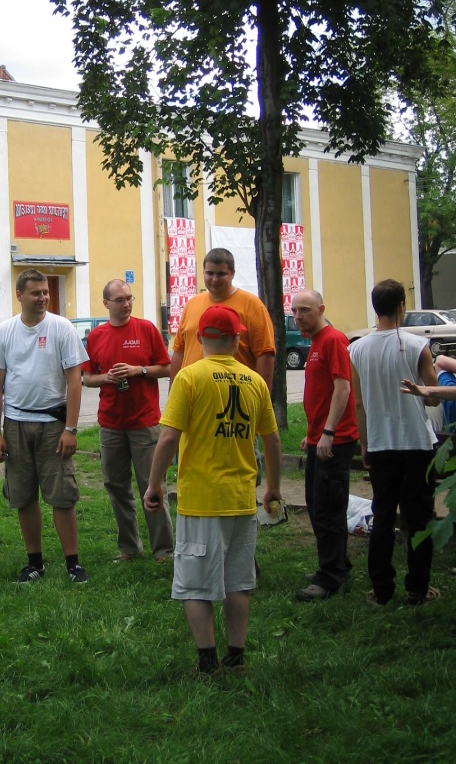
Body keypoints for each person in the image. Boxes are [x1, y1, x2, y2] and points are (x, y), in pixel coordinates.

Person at [144, 305, 281, 677]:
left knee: (194, 583)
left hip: (201, 500)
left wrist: (154, 484)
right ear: (236, 340)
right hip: (241, 498)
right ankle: (236, 656)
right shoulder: (255, 381)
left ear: (200, 338)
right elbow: (271, 440)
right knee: (238, 582)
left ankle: (207, 662)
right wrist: (272, 487)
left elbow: (168, 437)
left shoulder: (190, 377)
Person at [0, 269, 89, 583]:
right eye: (36, 293)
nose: (43, 297)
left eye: (45, 292)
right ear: (20, 295)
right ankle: (35, 563)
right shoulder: (4, 332)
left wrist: (70, 429)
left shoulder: (62, 328)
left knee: (62, 495)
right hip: (16, 424)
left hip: (54, 424)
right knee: (24, 496)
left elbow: (74, 381)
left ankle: (73, 564)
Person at [349, 279, 440, 607]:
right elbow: (433, 397)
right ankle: (418, 588)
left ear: (376, 308)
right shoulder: (418, 346)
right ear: (402, 306)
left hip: (381, 444)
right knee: (419, 516)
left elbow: (359, 404)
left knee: (383, 514)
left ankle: (382, 589)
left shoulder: (356, 349)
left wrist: (364, 444)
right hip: (417, 443)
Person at [82, 278, 173, 561]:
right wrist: (107, 378)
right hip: (111, 424)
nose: (126, 304)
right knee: (117, 486)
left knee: (153, 484)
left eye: (129, 298)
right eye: (120, 300)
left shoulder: (146, 329)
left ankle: (164, 549)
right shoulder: (96, 336)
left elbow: (167, 367)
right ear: (106, 303)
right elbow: (87, 378)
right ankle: (129, 548)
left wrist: (139, 370)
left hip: (145, 422)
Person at [290, 289, 358, 601]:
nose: (298, 316)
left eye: (304, 310)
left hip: (335, 441)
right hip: (320, 438)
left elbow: (342, 388)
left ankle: (330, 577)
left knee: (328, 509)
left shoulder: (333, 340)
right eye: (295, 311)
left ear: (321, 309)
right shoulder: (316, 341)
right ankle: (337, 565)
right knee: (317, 505)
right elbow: (322, 393)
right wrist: (313, 433)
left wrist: (329, 432)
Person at [169, 248, 275, 389]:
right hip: (193, 392)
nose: (215, 279)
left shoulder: (252, 306)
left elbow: (265, 354)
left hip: (234, 393)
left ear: (232, 274)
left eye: (221, 274)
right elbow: (179, 352)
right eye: (210, 273)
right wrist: (173, 391)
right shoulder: (192, 305)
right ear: (203, 273)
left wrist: (262, 395)